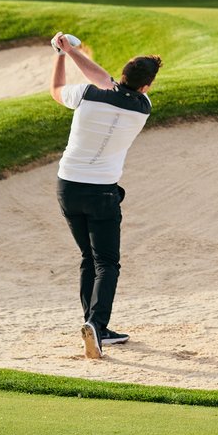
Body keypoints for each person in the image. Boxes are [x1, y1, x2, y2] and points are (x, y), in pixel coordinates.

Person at [48, 34, 160, 360]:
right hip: (102, 193)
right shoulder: (143, 107)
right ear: (146, 86)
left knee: (89, 257)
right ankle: (97, 326)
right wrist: (72, 50)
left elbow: (58, 91)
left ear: (122, 75)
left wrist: (62, 55)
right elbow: (104, 79)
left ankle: (93, 324)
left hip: (68, 187)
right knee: (107, 263)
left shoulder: (87, 94)